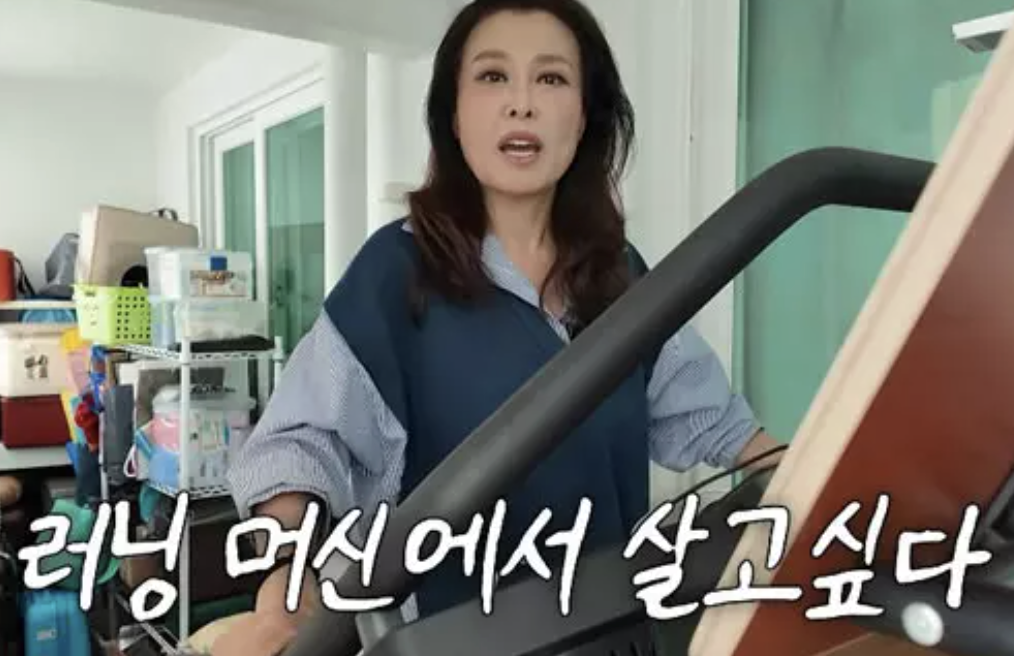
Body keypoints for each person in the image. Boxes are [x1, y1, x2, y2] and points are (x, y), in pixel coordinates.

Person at [214, 0, 782, 653]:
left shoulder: (621, 274)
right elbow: (300, 445)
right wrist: (288, 583)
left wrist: (815, 474)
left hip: (612, 633)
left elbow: (713, 421)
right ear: (454, 116)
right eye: (492, 76)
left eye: (551, 78)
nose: (522, 104)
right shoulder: (395, 273)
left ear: (584, 116)